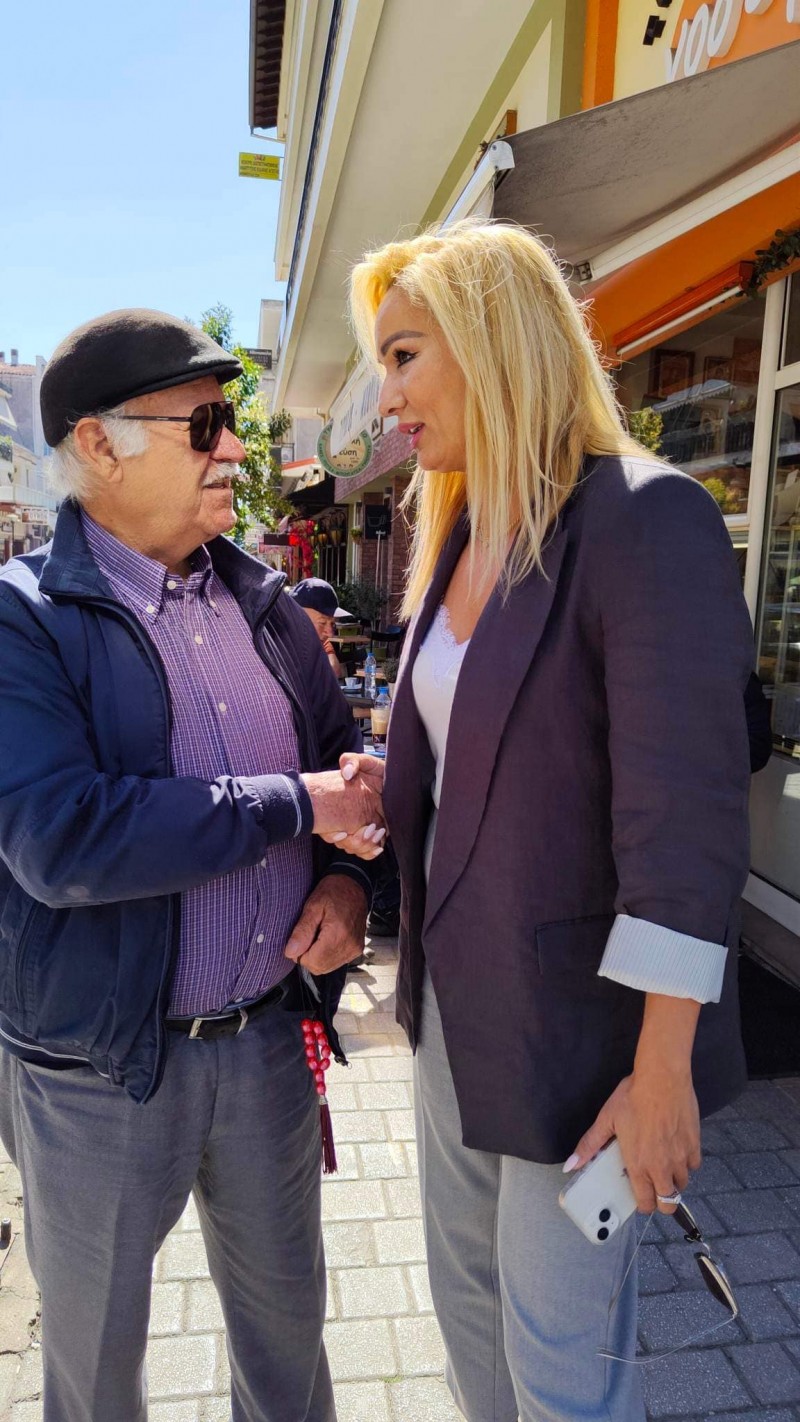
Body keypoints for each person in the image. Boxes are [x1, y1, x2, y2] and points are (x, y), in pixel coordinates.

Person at [347, 220, 755, 1422]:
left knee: (563, 1367)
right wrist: (385, 783)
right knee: (468, 1322)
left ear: (492, 340)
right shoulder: (460, 532)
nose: (386, 398)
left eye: (404, 355)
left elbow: (682, 820)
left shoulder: (644, 517)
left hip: (587, 1045)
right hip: (448, 1014)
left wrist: (661, 1072)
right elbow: (481, 748)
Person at [0, 308, 386, 1422]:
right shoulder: (25, 620)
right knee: (95, 1373)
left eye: (233, 422)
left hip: (267, 1045)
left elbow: (341, 772)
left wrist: (349, 884)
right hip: (98, 1074)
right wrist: (294, 805)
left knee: (288, 1346)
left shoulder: (266, 605)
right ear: (99, 444)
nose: (233, 449)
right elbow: (61, 837)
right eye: (205, 424)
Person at [288, 576, 353, 679]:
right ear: (297, 619)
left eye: (332, 624)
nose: (330, 633)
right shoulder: (277, 646)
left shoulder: (319, 641)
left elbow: (334, 672)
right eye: (322, 623)